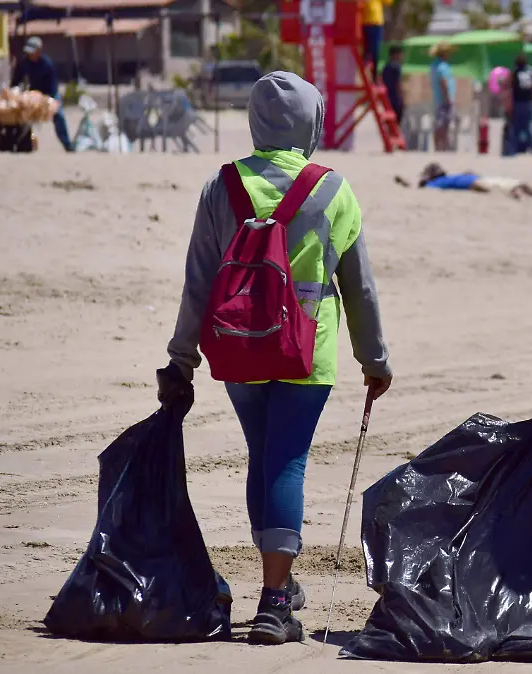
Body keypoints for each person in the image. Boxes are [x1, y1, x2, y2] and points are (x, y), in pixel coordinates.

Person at [156, 72, 393, 646]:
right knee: (287, 462)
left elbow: (198, 282)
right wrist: (375, 358)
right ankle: (275, 599)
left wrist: (181, 357)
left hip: (237, 347)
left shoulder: (222, 186)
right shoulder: (333, 188)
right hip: (306, 354)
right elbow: (358, 287)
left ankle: (278, 584)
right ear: (311, 122)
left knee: (262, 458)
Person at [10, 36, 72, 152]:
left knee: (59, 115)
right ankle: (22, 143)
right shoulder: (24, 63)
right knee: (20, 113)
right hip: (34, 94)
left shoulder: (46, 64)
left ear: (39, 50)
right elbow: (16, 81)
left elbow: (53, 85)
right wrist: (14, 93)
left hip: (49, 93)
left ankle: (67, 145)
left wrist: (51, 100)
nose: (30, 54)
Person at [395, 162, 532, 200]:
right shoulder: (435, 184)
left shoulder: (450, 176)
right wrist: (403, 181)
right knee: (511, 188)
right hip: (475, 184)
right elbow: (414, 187)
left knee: (523, 185)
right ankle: (510, 194)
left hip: (482, 179)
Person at [507, 52, 532, 155]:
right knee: (528, 127)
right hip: (528, 102)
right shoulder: (531, 72)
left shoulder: (515, 72)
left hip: (518, 102)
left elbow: (510, 87)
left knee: (516, 127)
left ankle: (513, 150)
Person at [429, 42, 456, 151]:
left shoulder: (434, 65)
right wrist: (448, 98)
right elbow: (443, 82)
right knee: (443, 124)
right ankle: (443, 147)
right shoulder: (443, 67)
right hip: (444, 99)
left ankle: (438, 146)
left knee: (440, 123)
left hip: (438, 99)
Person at [359, 0, 392, 83]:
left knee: (375, 50)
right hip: (364, 22)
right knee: (368, 47)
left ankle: (374, 75)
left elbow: (388, 2)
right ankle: (368, 61)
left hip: (376, 22)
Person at [380, 45, 404, 125]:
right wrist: (402, 97)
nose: (401, 56)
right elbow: (398, 83)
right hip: (396, 100)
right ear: (395, 54)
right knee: (397, 123)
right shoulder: (397, 66)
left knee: (390, 123)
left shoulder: (386, 67)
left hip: (387, 99)